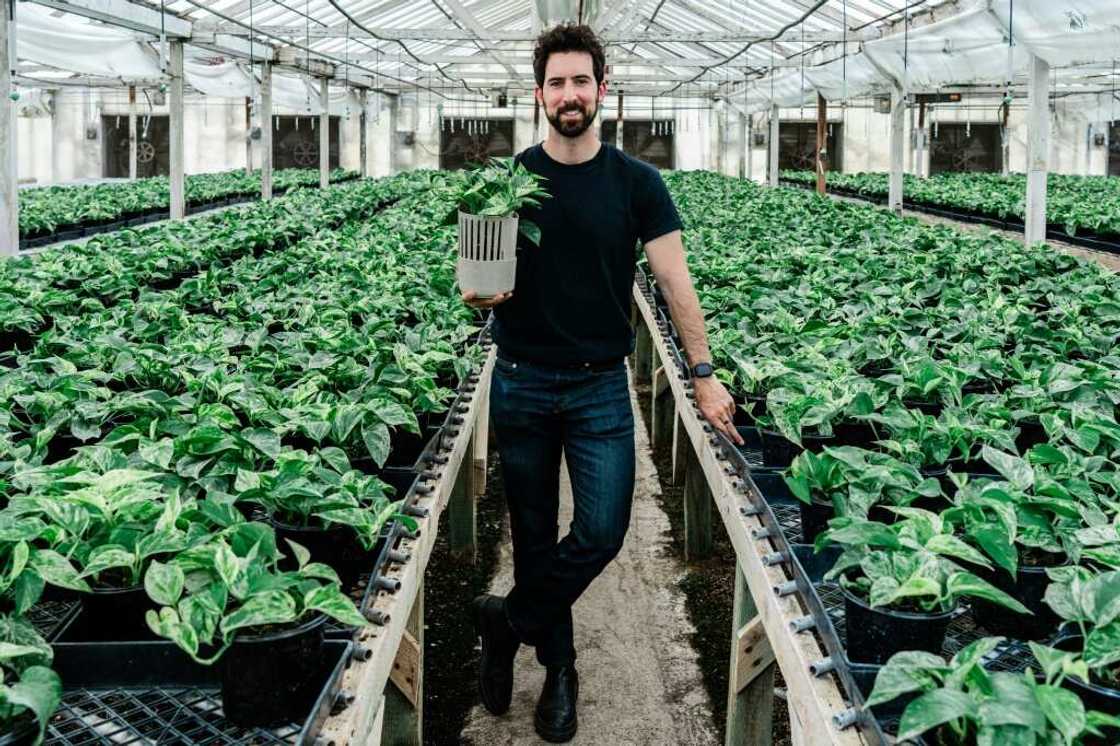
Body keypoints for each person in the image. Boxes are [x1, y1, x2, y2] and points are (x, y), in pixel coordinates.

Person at [464, 23, 743, 744]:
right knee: (531, 536)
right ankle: (560, 671)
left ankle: (507, 622)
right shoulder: (508, 183)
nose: (568, 95)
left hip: (598, 388)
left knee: (602, 529)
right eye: (556, 83)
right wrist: (479, 292)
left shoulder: (637, 184)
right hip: (522, 379)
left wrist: (704, 373)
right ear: (539, 96)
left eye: (580, 81)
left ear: (601, 90)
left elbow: (675, 282)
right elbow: (478, 272)